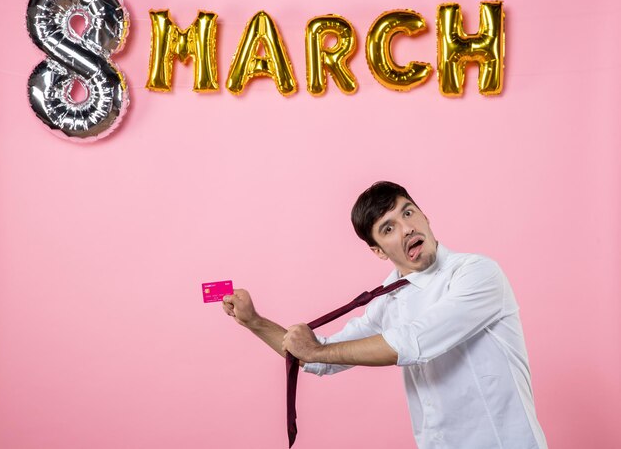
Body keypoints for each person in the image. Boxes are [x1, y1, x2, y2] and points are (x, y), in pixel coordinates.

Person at [222, 181, 547, 449]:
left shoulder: (477, 273)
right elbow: (319, 358)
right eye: (388, 228)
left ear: (425, 216)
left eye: (408, 213)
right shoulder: (388, 299)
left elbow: (415, 341)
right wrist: (255, 321)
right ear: (378, 250)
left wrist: (317, 350)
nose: (406, 229)